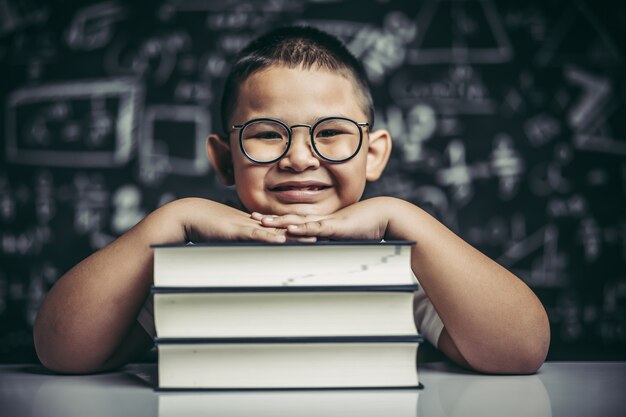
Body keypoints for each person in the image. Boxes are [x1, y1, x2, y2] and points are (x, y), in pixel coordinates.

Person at [33, 26, 550, 374]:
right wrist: (167, 221)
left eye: (331, 133)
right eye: (264, 134)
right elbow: (61, 350)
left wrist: (406, 218)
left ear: (373, 156)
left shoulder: (401, 268)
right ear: (223, 159)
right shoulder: (190, 269)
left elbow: (522, 351)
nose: (299, 158)